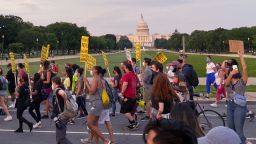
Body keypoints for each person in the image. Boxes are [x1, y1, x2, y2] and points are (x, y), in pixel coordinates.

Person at [224, 51, 248, 144]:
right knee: (231, 130)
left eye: (235, 69)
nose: (234, 70)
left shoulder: (242, 81)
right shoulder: (229, 81)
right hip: (230, 105)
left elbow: (245, 68)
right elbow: (226, 84)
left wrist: (241, 56)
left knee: (239, 132)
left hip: (239, 107)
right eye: (232, 69)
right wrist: (230, 74)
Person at [84, 66, 111, 144]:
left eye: (92, 69)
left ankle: (105, 140)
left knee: (89, 123)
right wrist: (88, 84)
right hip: (98, 103)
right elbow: (93, 91)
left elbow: (92, 91)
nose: (91, 71)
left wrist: (86, 82)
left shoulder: (96, 78)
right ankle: (97, 142)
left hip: (96, 103)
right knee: (95, 125)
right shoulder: (100, 79)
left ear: (95, 71)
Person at [51, 76, 72, 144]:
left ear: (54, 83)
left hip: (61, 116)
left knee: (61, 139)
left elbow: (62, 93)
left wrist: (66, 103)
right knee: (58, 138)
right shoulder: (61, 88)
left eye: (52, 83)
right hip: (61, 116)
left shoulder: (57, 90)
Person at [119, 63, 139, 130]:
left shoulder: (126, 75)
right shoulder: (134, 74)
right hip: (134, 95)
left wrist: (122, 93)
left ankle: (133, 123)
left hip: (128, 96)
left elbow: (125, 84)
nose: (123, 68)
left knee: (124, 111)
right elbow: (138, 85)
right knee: (131, 111)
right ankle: (132, 123)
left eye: (124, 67)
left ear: (126, 68)